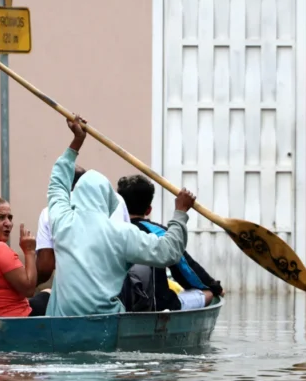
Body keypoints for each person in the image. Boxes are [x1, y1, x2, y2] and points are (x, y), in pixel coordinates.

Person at [44, 113, 197, 317]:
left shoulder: (61, 221)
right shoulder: (121, 234)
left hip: (61, 321)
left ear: (77, 196)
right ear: (108, 200)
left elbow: (57, 183)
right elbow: (169, 252)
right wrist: (180, 213)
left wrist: (77, 141)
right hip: (106, 322)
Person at [117, 174, 224, 311]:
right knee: (208, 293)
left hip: (119, 305)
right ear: (149, 210)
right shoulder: (159, 233)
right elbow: (187, 269)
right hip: (158, 306)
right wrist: (215, 287)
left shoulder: (111, 231)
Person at [35, 165, 130, 285]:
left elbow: (45, 267)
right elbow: (128, 244)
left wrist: (28, 285)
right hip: (118, 282)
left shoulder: (50, 211)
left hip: (77, 286)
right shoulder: (117, 200)